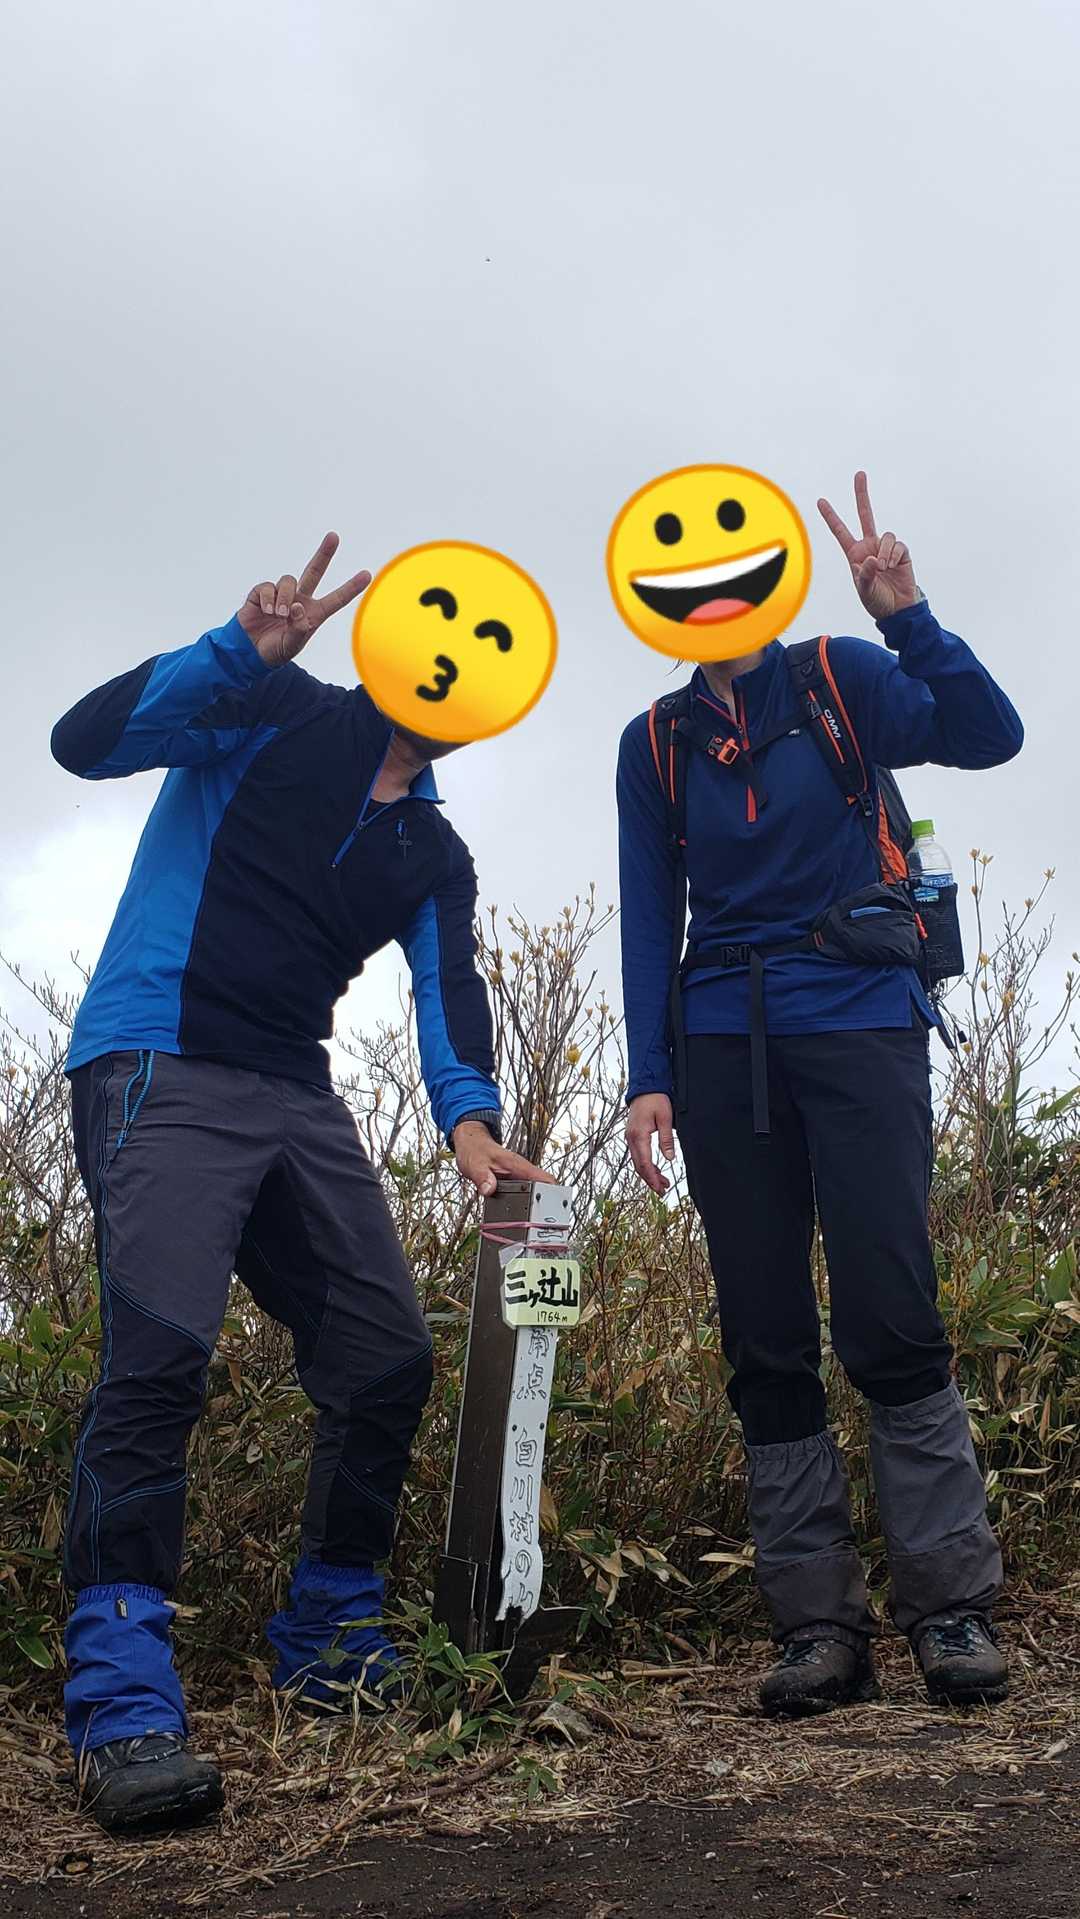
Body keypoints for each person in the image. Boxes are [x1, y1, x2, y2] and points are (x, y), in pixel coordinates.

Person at [50, 533, 547, 1832]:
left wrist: (472, 1120)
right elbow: (82, 742)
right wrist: (237, 647)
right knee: (159, 1358)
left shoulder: (432, 850)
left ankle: (329, 1638)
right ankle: (119, 1697)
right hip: (158, 1056)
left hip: (291, 1090)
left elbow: (450, 987)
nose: (457, 661)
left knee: (384, 1352)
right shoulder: (268, 706)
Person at [617, 474, 1023, 1717]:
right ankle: (816, 1627)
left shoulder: (842, 677)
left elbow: (989, 733)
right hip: (722, 1039)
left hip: (859, 1020)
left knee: (892, 1307)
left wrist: (907, 612)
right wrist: (649, 1076)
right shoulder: (653, 741)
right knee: (764, 1329)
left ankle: (948, 1607)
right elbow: (649, 913)